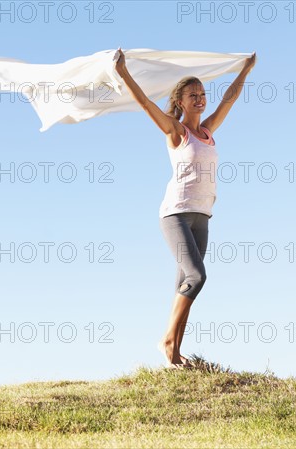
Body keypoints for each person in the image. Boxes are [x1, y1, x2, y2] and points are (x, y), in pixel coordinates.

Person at [114, 48, 256, 368]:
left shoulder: (207, 132)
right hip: (176, 214)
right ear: (180, 101)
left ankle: (175, 354)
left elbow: (229, 100)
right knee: (196, 276)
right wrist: (124, 73)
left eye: (202, 94)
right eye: (193, 95)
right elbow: (146, 104)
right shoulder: (177, 133)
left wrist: (245, 70)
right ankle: (167, 340)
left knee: (185, 285)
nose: (200, 99)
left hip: (202, 217)